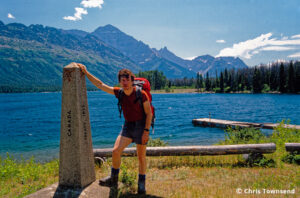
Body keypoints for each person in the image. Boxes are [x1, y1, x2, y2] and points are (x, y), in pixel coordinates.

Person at [77, 63, 153, 194]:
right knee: (116, 151)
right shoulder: (119, 93)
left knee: (141, 157)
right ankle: (114, 179)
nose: (124, 82)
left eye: (127, 79)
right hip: (128, 125)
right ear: (119, 81)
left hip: (141, 126)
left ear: (132, 80)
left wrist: (146, 131)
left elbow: (149, 114)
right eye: (122, 80)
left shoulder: (142, 94)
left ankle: (141, 184)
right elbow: (101, 85)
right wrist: (86, 73)